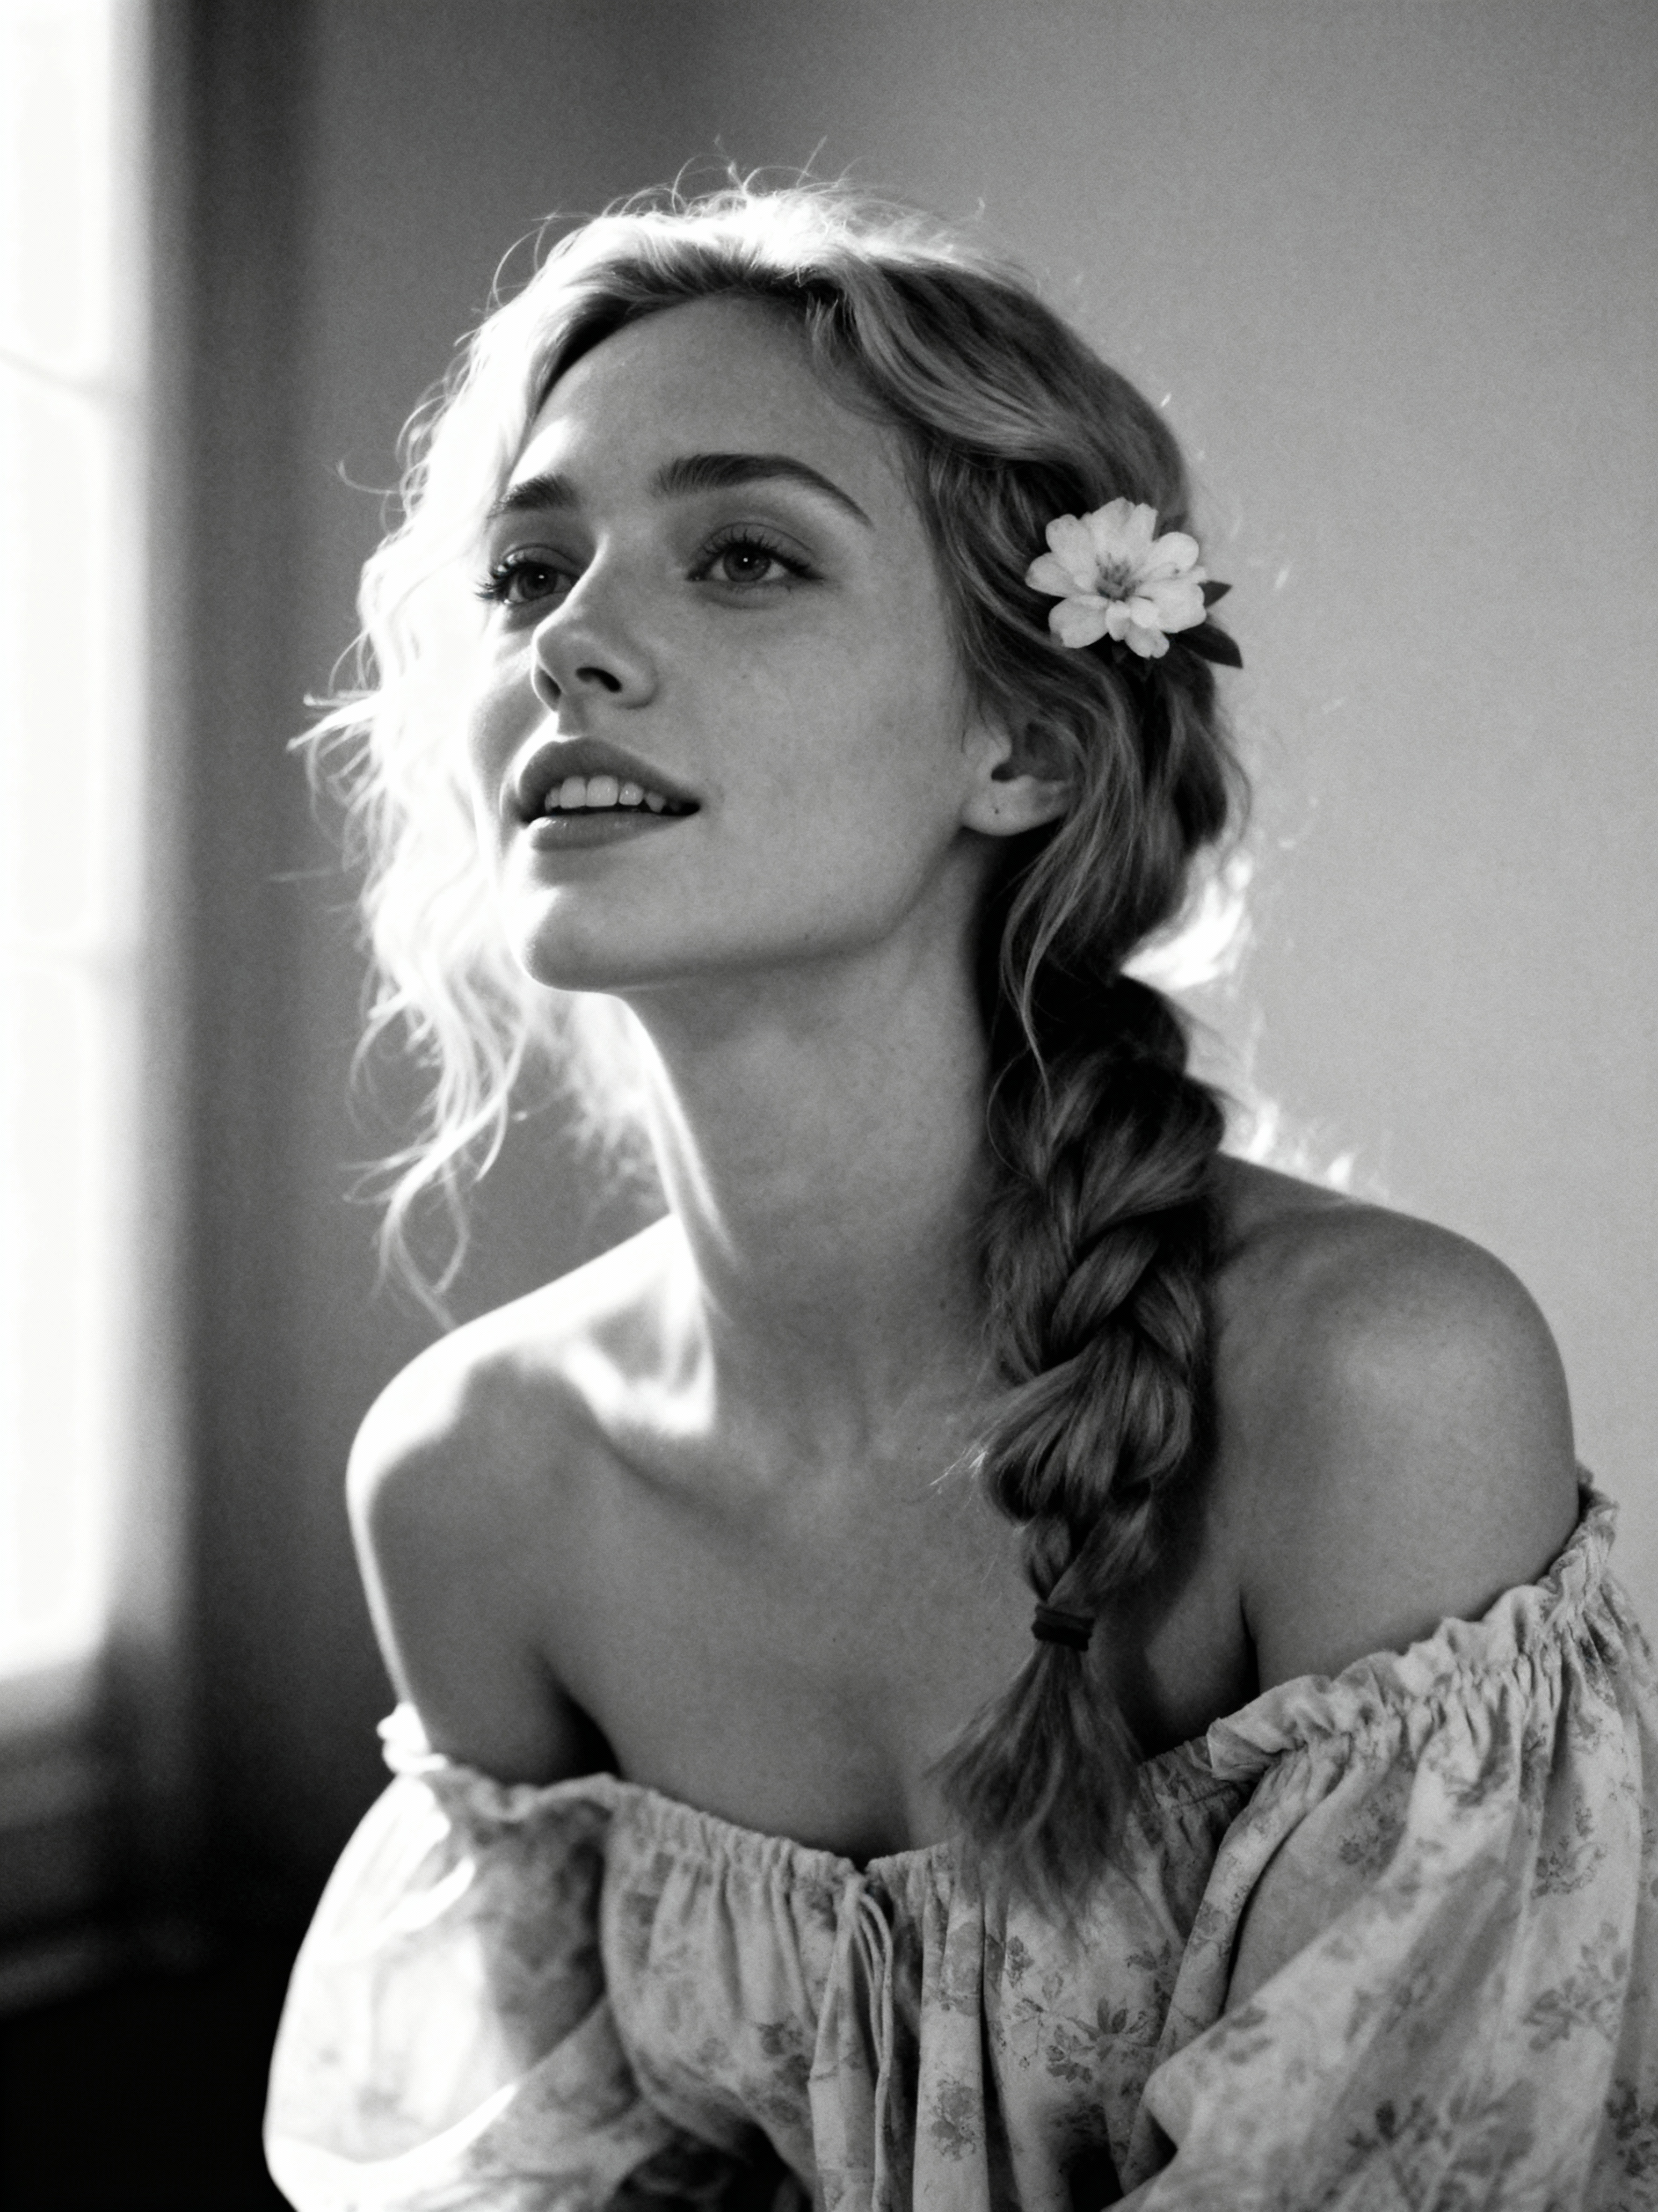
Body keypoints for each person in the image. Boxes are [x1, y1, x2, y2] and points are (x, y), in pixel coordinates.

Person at [264, 182, 1658, 2211]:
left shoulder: (1381, 1391)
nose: (567, 638)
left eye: (740, 554)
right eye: (522, 569)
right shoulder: (476, 1485)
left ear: (1021, 739)